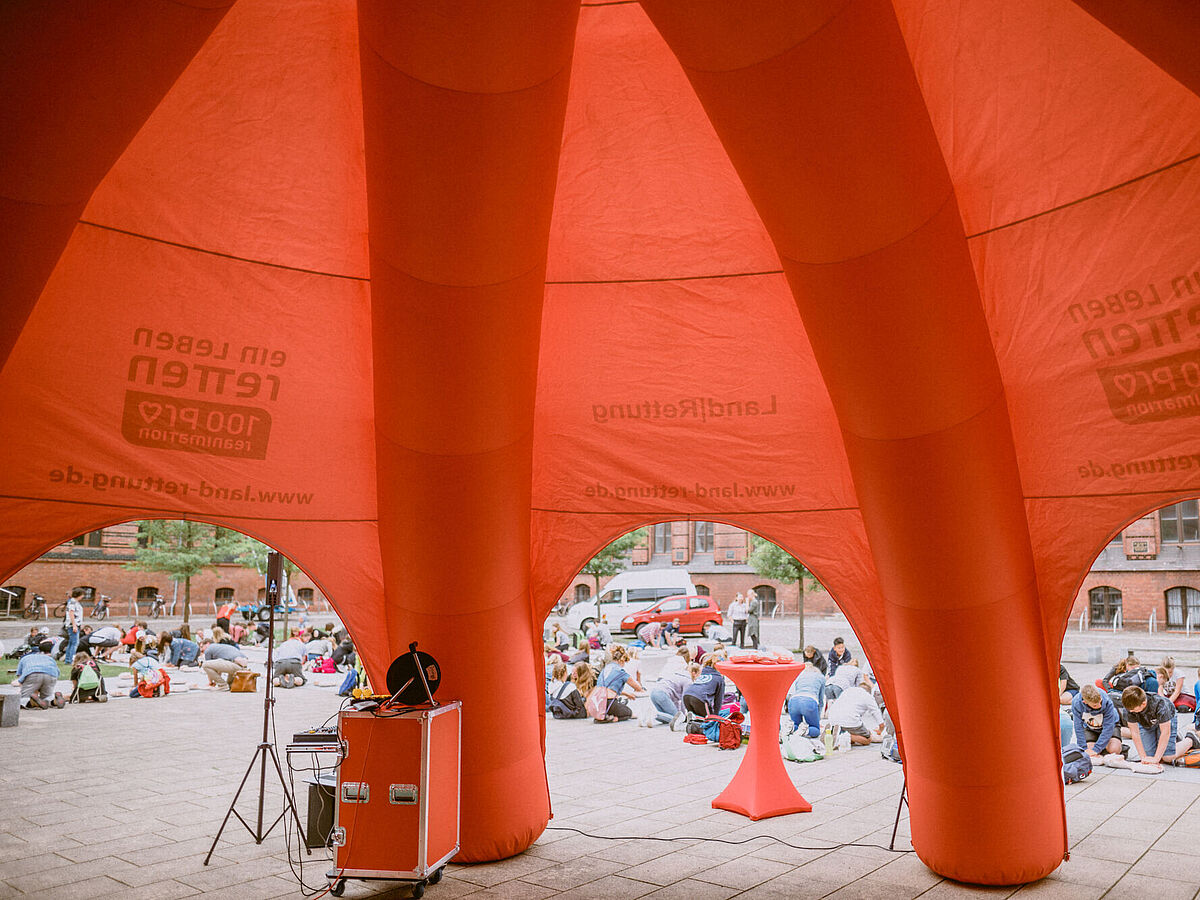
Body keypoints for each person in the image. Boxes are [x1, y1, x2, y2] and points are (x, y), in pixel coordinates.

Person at [1122, 685, 1196, 770]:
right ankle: (1168, 742)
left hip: (1167, 719)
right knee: (1149, 756)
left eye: (1134, 710)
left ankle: (1190, 739)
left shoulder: (1160, 704)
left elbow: (1165, 732)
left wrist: (1157, 759)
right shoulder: (1129, 707)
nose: (1131, 712)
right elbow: (1135, 733)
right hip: (1146, 723)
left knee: (1167, 757)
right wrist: (1143, 757)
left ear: (1143, 703)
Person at [827, 675, 885, 746]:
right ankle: (842, 737)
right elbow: (879, 718)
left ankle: (840, 734)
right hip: (849, 721)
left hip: (832, 719)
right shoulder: (868, 696)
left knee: (855, 734)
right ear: (870, 692)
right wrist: (880, 730)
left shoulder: (848, 690)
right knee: (867, 739)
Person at [1071, 684, 1122, 758]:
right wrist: (1084, 748)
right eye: (1095, 705)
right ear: (1085, 702)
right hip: (1090, 728)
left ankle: (1110, 745)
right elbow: (1078, 727)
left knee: (1114, 750)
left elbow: (1108, 728)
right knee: (1089, 752)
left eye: (1100, 702)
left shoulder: (1107, 701)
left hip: (1110, 726)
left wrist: (1097, 749)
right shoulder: (1076, 703)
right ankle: (1103, 746)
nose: (1099, 706)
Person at [646, 662, 698, 728]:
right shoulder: (688, 681)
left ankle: (648, 716)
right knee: (677, 719)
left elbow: (674, 701)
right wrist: (683, 714)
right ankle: (654, 714)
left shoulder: (677, 674)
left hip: (654, 692)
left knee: (665, 716)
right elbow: (684, 699)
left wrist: (679, 712)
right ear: (694, 673)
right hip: (662, 694)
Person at [15, 640, 65, 709]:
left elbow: (20, 676)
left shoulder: (24, 658)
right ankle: (54, 701)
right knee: (47, 696)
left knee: (24, 698)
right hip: (51, 674)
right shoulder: (48, 658)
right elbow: (57, 672)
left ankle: (33, 703)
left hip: (33, 673)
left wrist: (24, 688)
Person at [787, 660, 827, 738]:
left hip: (793, 701)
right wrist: (817, 719)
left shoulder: (800, 676)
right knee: (815, 729)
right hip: (809, 701)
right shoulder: (821, 677)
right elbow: (821, 700)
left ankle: (791, 728)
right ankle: (806, 730)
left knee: (796, 726)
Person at [682, 653, 725, 721]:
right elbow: (718, 701)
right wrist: (716, 717)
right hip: (700, 698)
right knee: (708, 721)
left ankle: (686, 721)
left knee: (695, 721)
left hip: (687, 695)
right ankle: (694, 720)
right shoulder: (719, 679)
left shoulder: (703, 673)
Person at [60, 588, 85, 662]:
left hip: (75, 624)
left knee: (71, 642)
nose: (83, 597)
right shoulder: (73, 603)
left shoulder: (74, 602)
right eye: (82, 595)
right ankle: (72, 659)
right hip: (73, 625)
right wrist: (74, 625)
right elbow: (71, 613)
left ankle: (68, 659)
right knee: (74, 643)